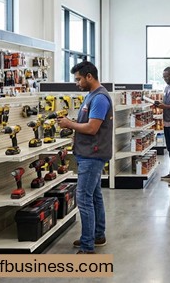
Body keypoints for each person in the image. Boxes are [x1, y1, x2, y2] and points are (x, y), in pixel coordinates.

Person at [57, 61, 112, 254]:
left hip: (93, 155)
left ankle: (88, 246)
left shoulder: (100, 99)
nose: (77, 83)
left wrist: (69, 124)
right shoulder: (91, 96)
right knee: (94, 196)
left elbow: (92, 128)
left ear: (89, 76)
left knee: (84, 198)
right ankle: (98, 235)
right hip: (88, 153)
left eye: (79, 79)